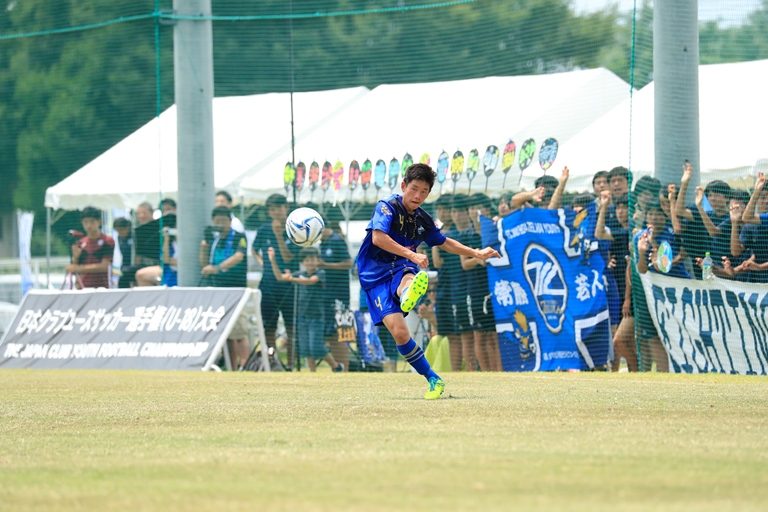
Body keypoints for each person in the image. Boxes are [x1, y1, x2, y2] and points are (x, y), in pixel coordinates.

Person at [356, 163, 500, 399]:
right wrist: (412, 254)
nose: (418, 196)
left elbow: (444, 242)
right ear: (404, 185)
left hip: (402, 266)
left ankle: (407, 292)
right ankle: (433, 377)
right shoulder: (387, 207)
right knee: (400, 334)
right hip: (374, 275)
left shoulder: (423, 219)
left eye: (424, 191)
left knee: (408, 274)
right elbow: (378, 238)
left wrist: (476, 252)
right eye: (414, 189)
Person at [268, 246, 344, 372]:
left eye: (313, 259)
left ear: (318, 260)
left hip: (316, 317)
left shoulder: (320, 273)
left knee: (316, 347)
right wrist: (273, 261)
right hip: (302, 316)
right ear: (302, 262)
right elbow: (280, 277)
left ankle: (336, 366)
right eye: (307, 260)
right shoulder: (299, 274)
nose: (310, 262)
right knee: (306, 349)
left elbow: (310, 281)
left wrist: (292, 278)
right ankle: (312, 372)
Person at [252, 194, 299, 369]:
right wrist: (263, 263)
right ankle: (272, 362)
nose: (277, 212)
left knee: (291, 327)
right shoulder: (263, 229)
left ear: (286, 208)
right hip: (268, 285)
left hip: (289, 285)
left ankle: (292, 364)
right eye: (272, 209)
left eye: (279, 208)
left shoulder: (295, 228)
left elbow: (288, 258)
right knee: (268, 326)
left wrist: (279, 236)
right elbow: (254, 249)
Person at [200, 206, 249, 369]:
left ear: (230, 221)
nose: (220, 224)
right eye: (217, 221)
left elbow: (239, 256)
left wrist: (217, 268)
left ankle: (246, 365)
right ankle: (231, 366)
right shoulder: (214, 239)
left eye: (223, 221)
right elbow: (204, 265)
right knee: (225, 334)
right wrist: (204, 244)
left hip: (236, 289)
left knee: (239, 332)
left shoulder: (239, 237)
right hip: (217, 289)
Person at [462, 193, 502, 371]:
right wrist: (478, 259)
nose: (474, 211)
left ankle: (499, 373)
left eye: (478, 207)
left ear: (486, 209)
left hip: (496, 288)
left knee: (495, 335)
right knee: (480, 335)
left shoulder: (495, 230)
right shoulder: (466, 236)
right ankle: (486, 374)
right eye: (471, 208)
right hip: (475, 290)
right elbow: (464, 264)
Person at [675, 161, 731, 279]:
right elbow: (679, 211)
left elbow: (714, 232)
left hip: (726, 269)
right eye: (710, 195)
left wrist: (700, 207)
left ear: (727, 198)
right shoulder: (706, 214)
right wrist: (684, 183)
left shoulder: (731, 218)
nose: (713, 198)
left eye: (717, 195)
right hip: (704, 268)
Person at [319, 214, 353, 371]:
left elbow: (349, 263)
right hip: (327, 295)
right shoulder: (323, 243)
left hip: (341, 295)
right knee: (332, 333)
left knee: (343, 331)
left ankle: (345, 369)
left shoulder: (336, 240)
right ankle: (338, 368)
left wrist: (326, 265)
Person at [66, 206, 115, 289]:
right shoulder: (80, 243)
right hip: (83, 287)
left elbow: (104, 266)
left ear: (99, 222)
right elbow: (74, 268)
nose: (89, 225)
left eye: (92, 222)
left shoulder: (107, 240)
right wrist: (75, 258)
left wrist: (79, 268)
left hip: (102, 287)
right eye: (85, 222)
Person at [112, 217, 134, 288]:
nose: (120, 232)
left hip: (134, 265)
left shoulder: (134, 236)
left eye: (121, 230)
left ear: (128, 227)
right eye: (117, 231)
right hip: (125, 266)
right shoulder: (120, 237)